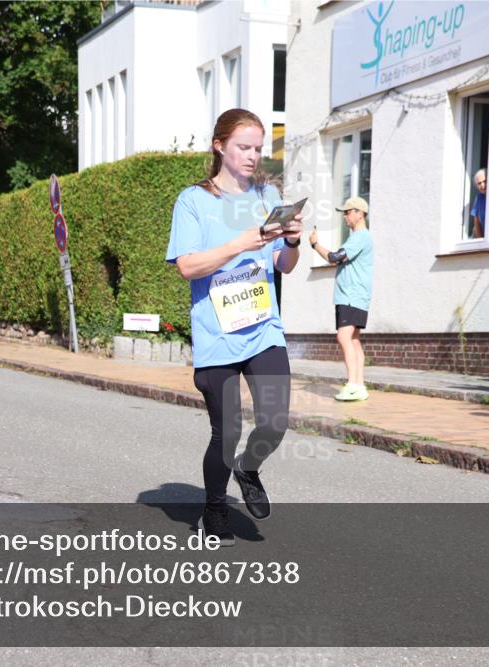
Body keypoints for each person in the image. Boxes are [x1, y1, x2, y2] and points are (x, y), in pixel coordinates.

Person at [166, 108, 303, 546]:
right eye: (244, 147)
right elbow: (187, 266)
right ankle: (214, 508)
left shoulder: (266, 195)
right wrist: (239, 243)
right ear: (219, 145)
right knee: (227, 431)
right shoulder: (194, 200)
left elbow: (284, 263)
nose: (252, 155)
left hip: (263, 327)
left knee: (276, 421)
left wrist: (294, 241)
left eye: (259, 148)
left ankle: (248, 469)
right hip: (217, 332)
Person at [308, 197, 374, 401]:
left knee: (344, 337)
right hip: (357, 296)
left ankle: (352, 384)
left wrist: (315, 245)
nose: (345, 216)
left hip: (351, 296)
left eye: (348, 212)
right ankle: (360, 385)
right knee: (354, 340)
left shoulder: (360, 237)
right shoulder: (358, 237)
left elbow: (334, 257)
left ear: (360, 213)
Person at [470, 169, 486, 239]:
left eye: (484, 181)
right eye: (479, 183)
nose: (482, 185)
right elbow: (476, 222)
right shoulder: (479, 197)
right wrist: (480, 240)